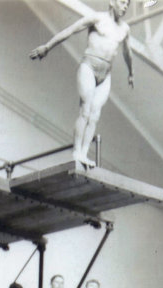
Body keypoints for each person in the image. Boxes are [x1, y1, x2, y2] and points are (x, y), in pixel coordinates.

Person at [30, 0, 134, 167]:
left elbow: (127, 52)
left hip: (106, 74)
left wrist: (131, 73)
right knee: (85, 111)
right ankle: (76, 152)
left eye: (127, 5)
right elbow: (70, 31)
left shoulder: (124, 29)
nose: (124, 8)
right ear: (112, 2)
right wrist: (47, 47)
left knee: (95, 116)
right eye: (122, 3)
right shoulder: (96, 19)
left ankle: (84, 154)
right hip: (89, 67)